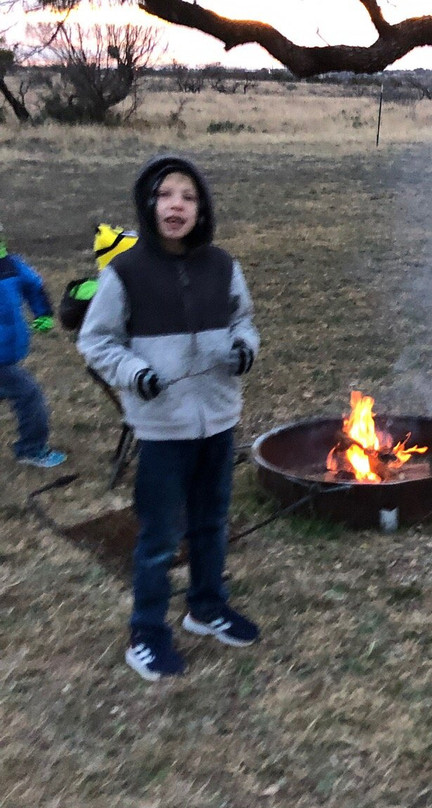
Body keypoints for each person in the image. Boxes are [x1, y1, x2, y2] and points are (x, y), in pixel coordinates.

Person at [78, 155, 260, 681]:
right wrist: (133, 372)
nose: (176, 204)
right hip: (162, 429)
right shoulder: (125, 272)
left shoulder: (223, 265)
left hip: (219, 419)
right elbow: (97, 341)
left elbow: (243, 320)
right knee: (159, 536)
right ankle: (147, 632)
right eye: (165, 195)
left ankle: (206, 606)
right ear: (149, 205)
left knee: (210, 523)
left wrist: (244, 347)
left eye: (188, 196)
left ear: (201, 209)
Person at [0, 226, 67, 468]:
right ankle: (31, 449)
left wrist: (43, 313)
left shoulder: (11, 264)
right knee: (29, 395)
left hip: (8, 351)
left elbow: (34, 285)